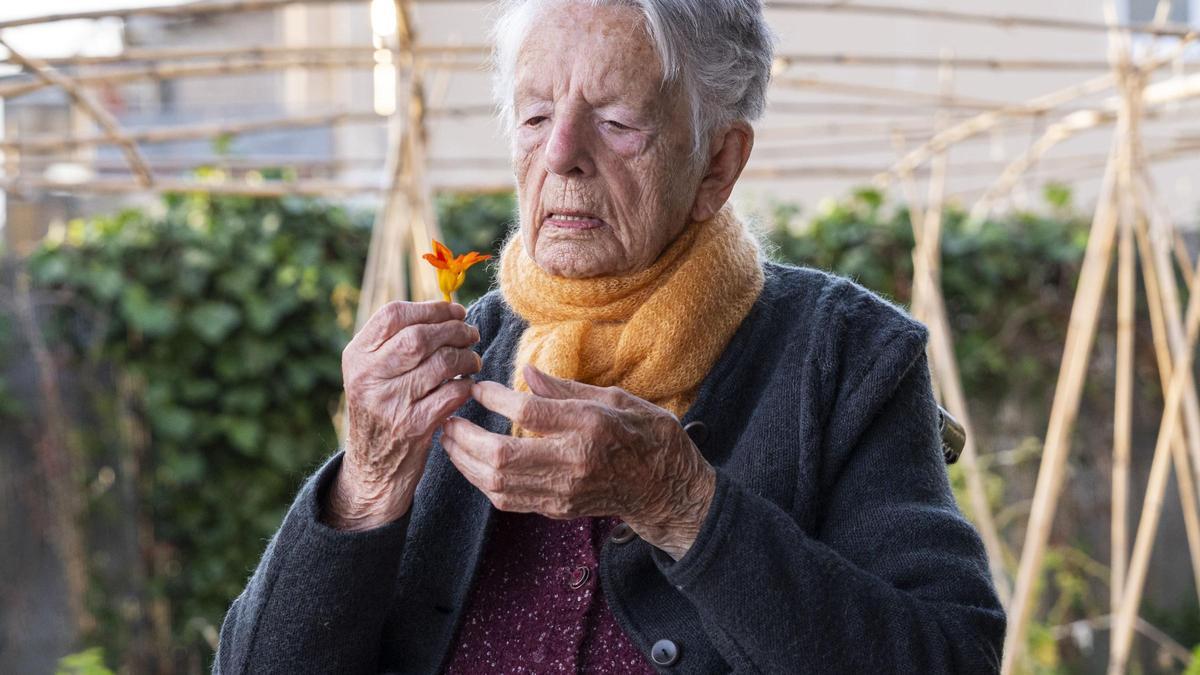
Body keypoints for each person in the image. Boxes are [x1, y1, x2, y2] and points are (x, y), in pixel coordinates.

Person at [213, 1, 1005, 672]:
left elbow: (953, 654)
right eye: (534, 116)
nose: (561, 154)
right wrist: (366, 484)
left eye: (618, 121)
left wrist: (681, 502)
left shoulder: (844, 356)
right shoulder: (455, 356)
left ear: (717, 164)